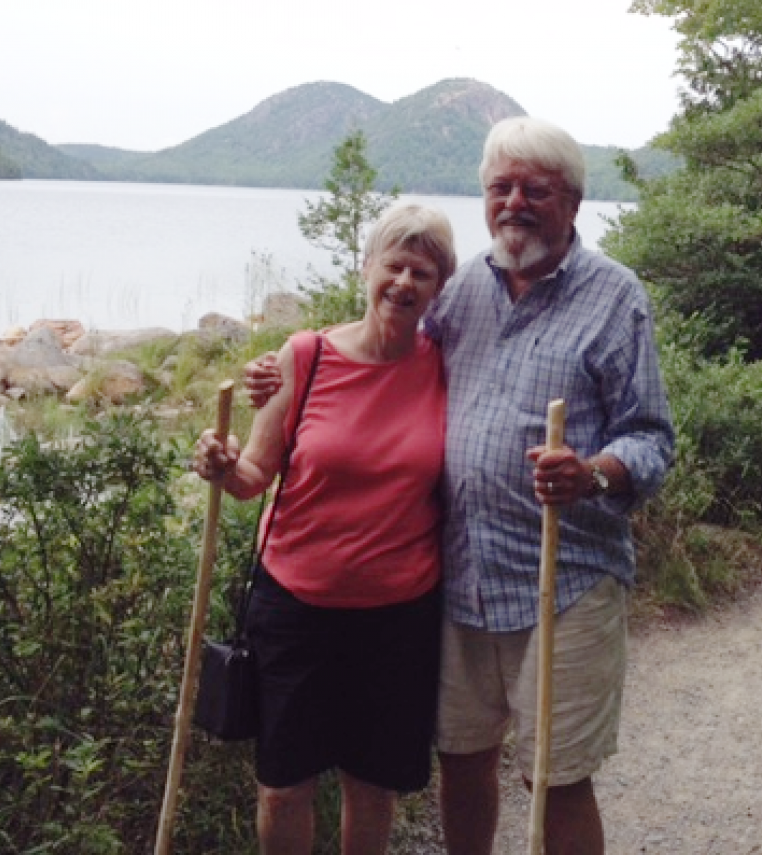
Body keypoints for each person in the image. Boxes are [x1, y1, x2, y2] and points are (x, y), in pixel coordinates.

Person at [248, 117, 674, 854]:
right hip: (461, 579)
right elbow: (382, 344)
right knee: (464, 760)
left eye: (534, 190)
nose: (514, 203)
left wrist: (595, 471)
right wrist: (283, 370)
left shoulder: (614, 296)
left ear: (572, 202)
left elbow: (653, 436)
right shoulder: (461, 289)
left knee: (556, 775)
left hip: (564, 580)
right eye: (499, 188)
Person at [194, 203, 456, 855]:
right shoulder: (304, 356)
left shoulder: (446, 365)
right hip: (296, 609)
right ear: (365, 268)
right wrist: (222, 465)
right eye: (392, 264)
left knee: (372, 786)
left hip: (398, 617)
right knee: (284, 785)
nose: (403, 281)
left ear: (440, 286)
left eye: (421, 271)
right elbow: (254, 473)